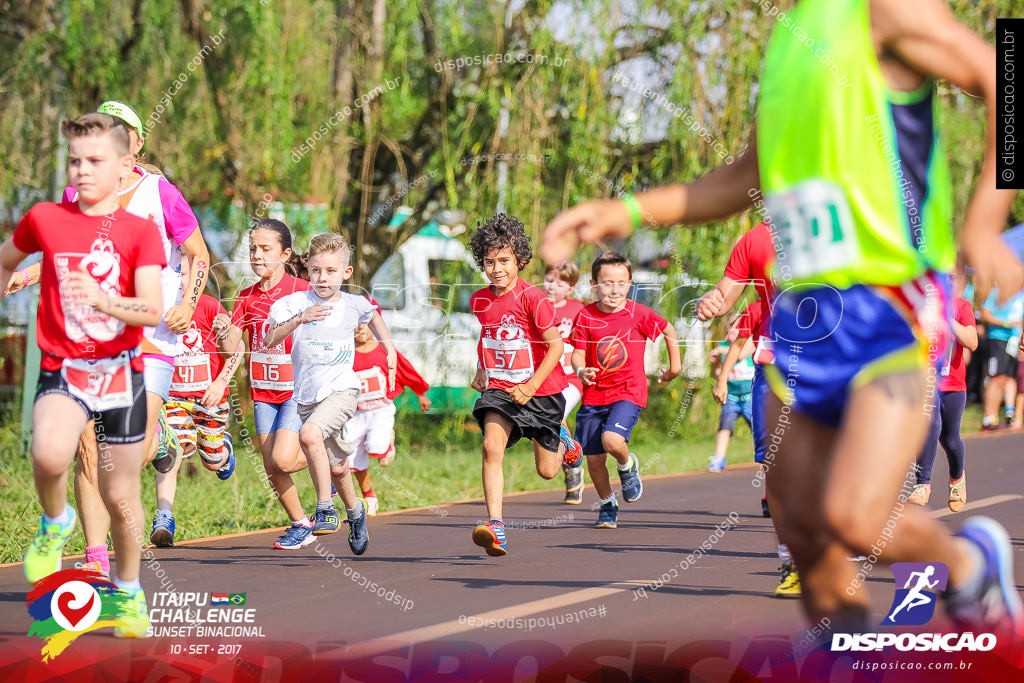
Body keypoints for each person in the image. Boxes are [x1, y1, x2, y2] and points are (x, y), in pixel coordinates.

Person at [541, 0, 1023, 634]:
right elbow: (746, 176)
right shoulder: (791, 41)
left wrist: (986, 224)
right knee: (803, 535)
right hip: (799, 326)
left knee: (855, 515)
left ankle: (970, 564)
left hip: (890, 309)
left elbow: (1003, 73)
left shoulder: (880, 10)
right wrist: (623, 213)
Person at [8, 101, 211, 576]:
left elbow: (196, 254)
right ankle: (97, 560)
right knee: (85, 449)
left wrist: (186, 303)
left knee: (125, 458)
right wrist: (31, 272)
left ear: (135, 143)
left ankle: (161, 442)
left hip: (153, 332)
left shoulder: (159, 192)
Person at [0, 112, 166, 636]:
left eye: (95, 161)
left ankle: (130, 588)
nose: (82, 170)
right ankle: (56, 521)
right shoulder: (46, 218)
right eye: (74, 160)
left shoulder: (140, 232)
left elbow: (153, 310)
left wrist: (103, 300)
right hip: (63, 366)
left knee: (120, 496)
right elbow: (7, 260)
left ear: (124, 167)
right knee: (48, 453)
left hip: (120, 373)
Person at [265, 233, 398, 554]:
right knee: (338, 467)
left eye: (331, 271)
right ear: (307, 269)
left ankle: (325, 508)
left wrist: (389, 348)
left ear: (346, 273)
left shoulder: (354, 304)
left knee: (309, 436)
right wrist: (300, 319)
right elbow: (269, 339)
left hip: (343, 391)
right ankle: (356, 512)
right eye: (316, 271)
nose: (323, 278)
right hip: (308, 396)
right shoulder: (294, 303)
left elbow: (374, 314)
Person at [468, 213, 582, 557]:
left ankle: (562, 436)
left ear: (519, 260)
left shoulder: (533, 298)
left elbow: (557, 346)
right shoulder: (479, 300)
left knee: (547, 472)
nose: (496, 268)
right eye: (489, 261)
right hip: (500, 389)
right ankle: (496, 526)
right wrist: (479, 368)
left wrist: (531, 386)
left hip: (542, 391)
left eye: (504, 260)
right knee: (491, 447)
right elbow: (489, 336)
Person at [214, 219, 313, 549]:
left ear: (285, 254)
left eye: (265, 249)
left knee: (284, 459)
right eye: (252, 249)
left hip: (296, 392)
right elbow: (234, 349)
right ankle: (300, 524)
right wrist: (223, 329)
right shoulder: (245, 297)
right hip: (263, 393)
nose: (257, 255)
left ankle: (325, 452)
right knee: (272, 465)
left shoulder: (302, 292)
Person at [570, 251, 680, 528]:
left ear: (630, 283)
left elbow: (669, 331)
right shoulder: (585, 316)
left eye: (621, 283)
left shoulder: (638, 313)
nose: (614, 289)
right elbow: (577, 354)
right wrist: (581, 371)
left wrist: (674, 368)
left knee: (612, 441)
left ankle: (626, 465)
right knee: (594, 460)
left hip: (628, 392)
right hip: (594, 395)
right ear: (594, 284)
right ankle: (608, 504)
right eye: (607, 283)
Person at [151, 292, 245, 546]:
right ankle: (164, 517)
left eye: (188, 272)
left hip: (210, 399)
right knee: (173, 451)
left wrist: (221, 381)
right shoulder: (160, 303)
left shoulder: (210, 306)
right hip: (174, 399)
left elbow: (239, 347)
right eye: (177, 271)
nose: (181, 279)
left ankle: (222, 450)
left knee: (213, 462)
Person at [909, 267, 977, 510]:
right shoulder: (920, 305)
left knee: (950, 439)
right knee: (931, 422)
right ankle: (922, 484)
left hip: (954, 384)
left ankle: (957, 477)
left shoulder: (961, 306)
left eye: (950, 278)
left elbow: (972, 342)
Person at [347, 322, 431, 515]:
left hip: (380, 410)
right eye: (356, 326)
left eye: (365, 325)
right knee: (351, 458)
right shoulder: (346, 353)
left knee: (377, 449)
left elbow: (405, 370)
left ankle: (388, 442)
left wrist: (421, 393)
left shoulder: (384, 351)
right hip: (356, 413)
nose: (360, 330)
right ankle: (369, 495)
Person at [542, 262, 587, 504]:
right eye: (548, 280)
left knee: (555, 414)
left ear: (570, 288)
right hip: (543, 379)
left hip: (570, 378)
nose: (552, 286)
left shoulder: (578, 310)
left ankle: (574, 466)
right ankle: (573, 466)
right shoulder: (535, 306)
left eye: (559, 283)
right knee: (554, 421)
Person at [708, 319, 755, 472]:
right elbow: (718, 371)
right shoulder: (723, 346)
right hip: (731, 396)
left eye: (736, 330)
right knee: (725, 427)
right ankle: (719, 458)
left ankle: (770, 454)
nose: (732, 334)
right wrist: (715, 365)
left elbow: (740, 355)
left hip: (750, 396)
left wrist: (720, 351)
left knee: (759, 427)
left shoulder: (749, 342)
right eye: (729, 331)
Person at [978, 284, 1023, 430]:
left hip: (1014, 341)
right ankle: (988, 418)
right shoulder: (997, 292)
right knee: (997, 377)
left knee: (1009, 378)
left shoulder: (1021, 294)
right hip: (998, 339)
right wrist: (1006, 323)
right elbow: (985, 314)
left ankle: (1004, 415)